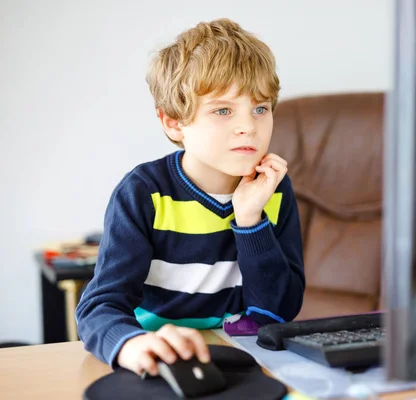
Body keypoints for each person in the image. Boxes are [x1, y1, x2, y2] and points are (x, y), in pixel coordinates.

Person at [75, 18, 305, 377]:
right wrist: (132, 345)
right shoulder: (143, 193)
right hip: (160, 364)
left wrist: (249, 221)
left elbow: (279, 311)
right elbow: (98, 307)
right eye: (223, 110)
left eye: (260, 108)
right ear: (173, 122)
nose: (248, 126)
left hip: (242, 362)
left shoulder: (273, 191)